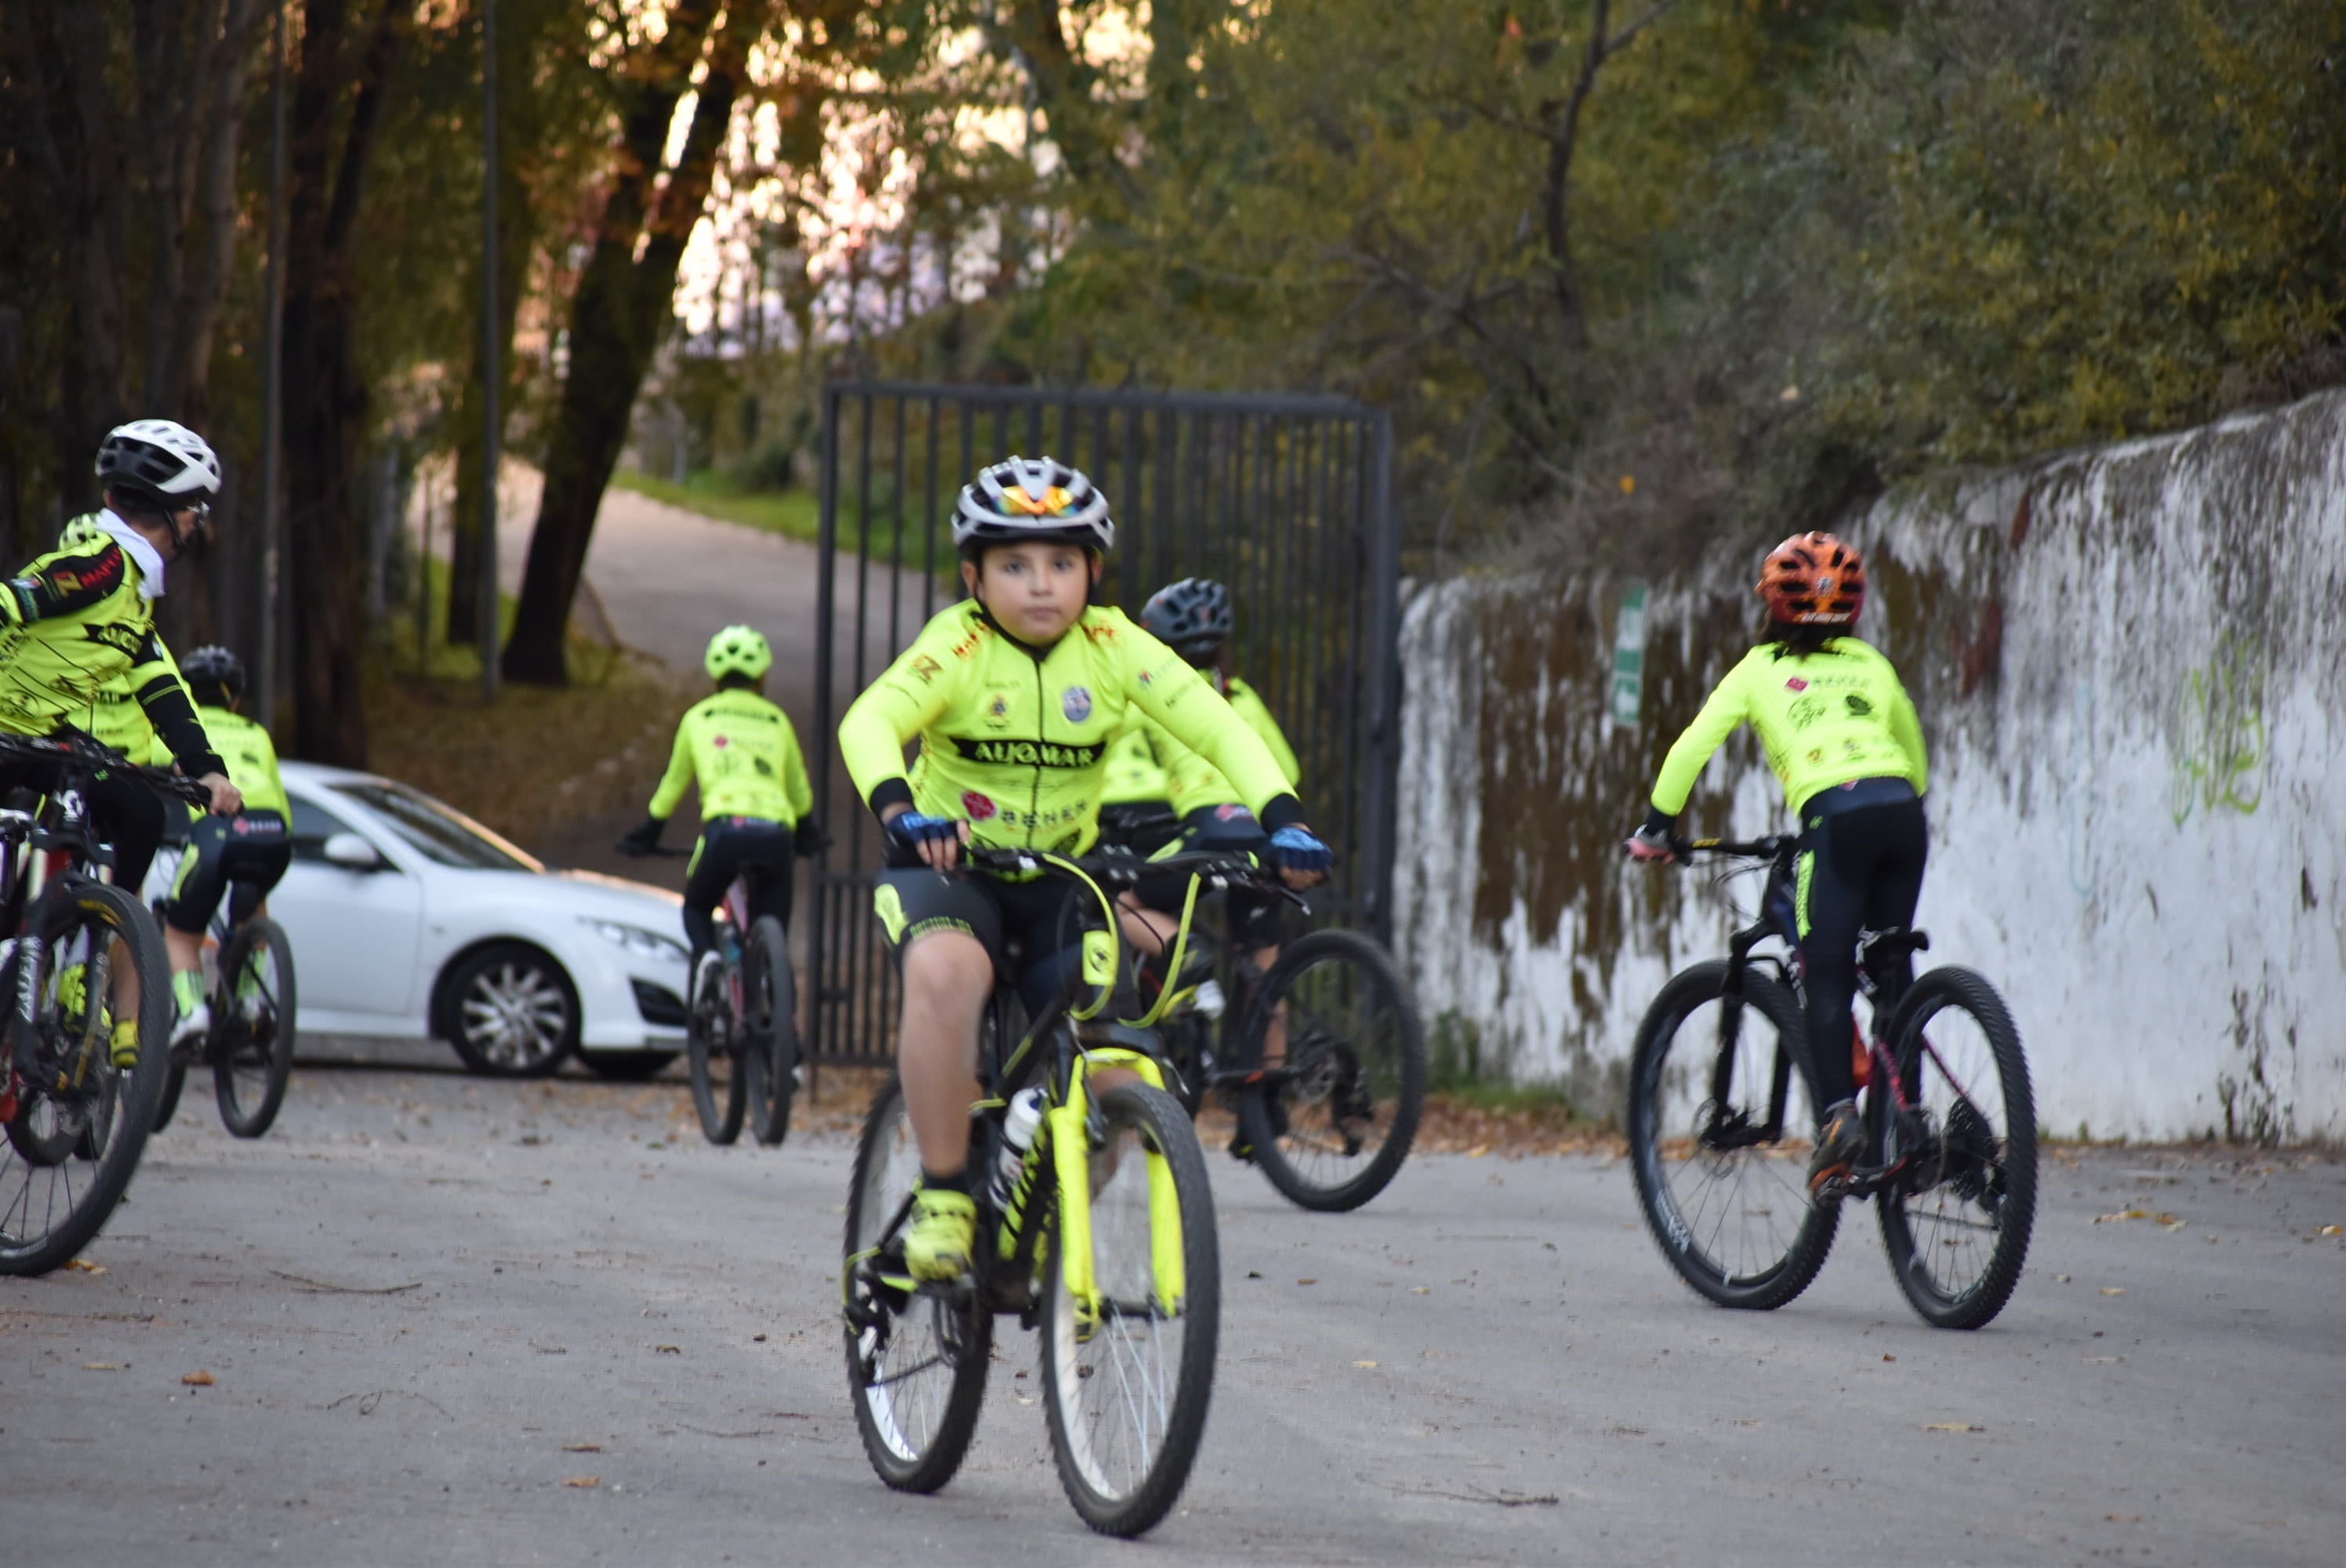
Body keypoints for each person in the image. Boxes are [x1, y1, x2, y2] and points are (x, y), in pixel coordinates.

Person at [837, 456, 1332, 1282]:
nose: (1042, 584)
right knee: (948, 974)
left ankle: (1038, 1226)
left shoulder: (1112, 645)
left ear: (1092, 573)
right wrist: (900, 814)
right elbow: (871, 720)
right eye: (1015, 565)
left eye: (1062, 562)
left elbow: (1217, 727)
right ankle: (945, 1195)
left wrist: (1284, 821)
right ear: (973, 577)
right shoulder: (958, 643)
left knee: (1118, 1078)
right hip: (952, 872)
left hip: (1063, 884)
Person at [1625, 532, 1927, 1195]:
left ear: (1772, 603)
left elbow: (1692, 747)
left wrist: (1658, 828)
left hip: (1835, 821)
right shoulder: (1870, 662)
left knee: (1826, 972)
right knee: (1891, 965)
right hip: (1904, 817)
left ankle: (1839, 1121)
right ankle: (1914, 1128)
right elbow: (1914, 751)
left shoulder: (1759, 668)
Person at [0, 419, 242, 1069]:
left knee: (138, 812)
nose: (196, 524)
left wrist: (208, 771)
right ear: (177, 513)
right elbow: (15, 601)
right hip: (7, 730)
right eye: (196, 511)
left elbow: (163, 691)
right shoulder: (102, 565)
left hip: (43, 738)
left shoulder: (133, 596)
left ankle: (85, 963)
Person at [617, 626, 819, 994]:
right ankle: (775, 999)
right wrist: (808, 832)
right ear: (762, 677)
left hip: (726, 830)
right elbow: (798, 788)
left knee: (696, 907)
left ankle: (709, 957)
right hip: (776, 833)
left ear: (715, 676)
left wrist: (650, 831)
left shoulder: (700, 717)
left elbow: (673, 783)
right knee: (772, 925)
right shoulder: (776, 720)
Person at [161, 646, 292, 1047]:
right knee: (253, 910)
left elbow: (154, 771)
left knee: (181, 931)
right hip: (271, 830)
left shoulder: (182, 730)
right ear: (234, 697)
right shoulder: (256, 733)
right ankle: (249, 1000)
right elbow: (280, 800)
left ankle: (192, 1011)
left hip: (215, 832)